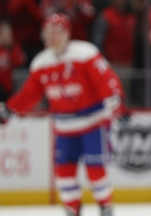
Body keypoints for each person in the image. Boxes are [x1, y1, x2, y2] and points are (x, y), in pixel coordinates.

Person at [0, 13, 126, 216]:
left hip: (93, 123)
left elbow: (105, 79)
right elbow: (30, 94)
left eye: (56, 32)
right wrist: (11, 108)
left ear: (66, 33)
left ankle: (105, 207)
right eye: (47, 33)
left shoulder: (85, 53)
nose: (51, 37)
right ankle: (72, 209)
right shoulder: (42, 63)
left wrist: (115, 101)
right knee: (64, 172)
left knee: (96, 169)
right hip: (64, 128)